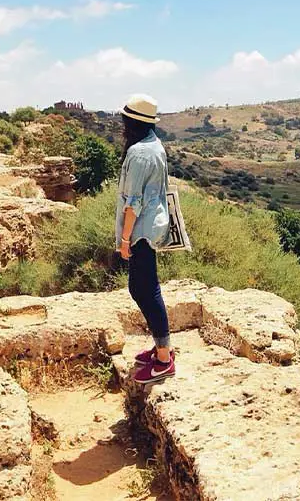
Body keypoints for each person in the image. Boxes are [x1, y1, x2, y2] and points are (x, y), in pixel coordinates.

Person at [115, 93, 175, 384]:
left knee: (145, 290)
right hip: (152, 226)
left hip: (140, 231)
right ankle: (160, 345)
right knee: (142, 288)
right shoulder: (154, 144)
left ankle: (164, 359)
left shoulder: (139, 153)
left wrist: (125, 240)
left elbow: (133, 202)